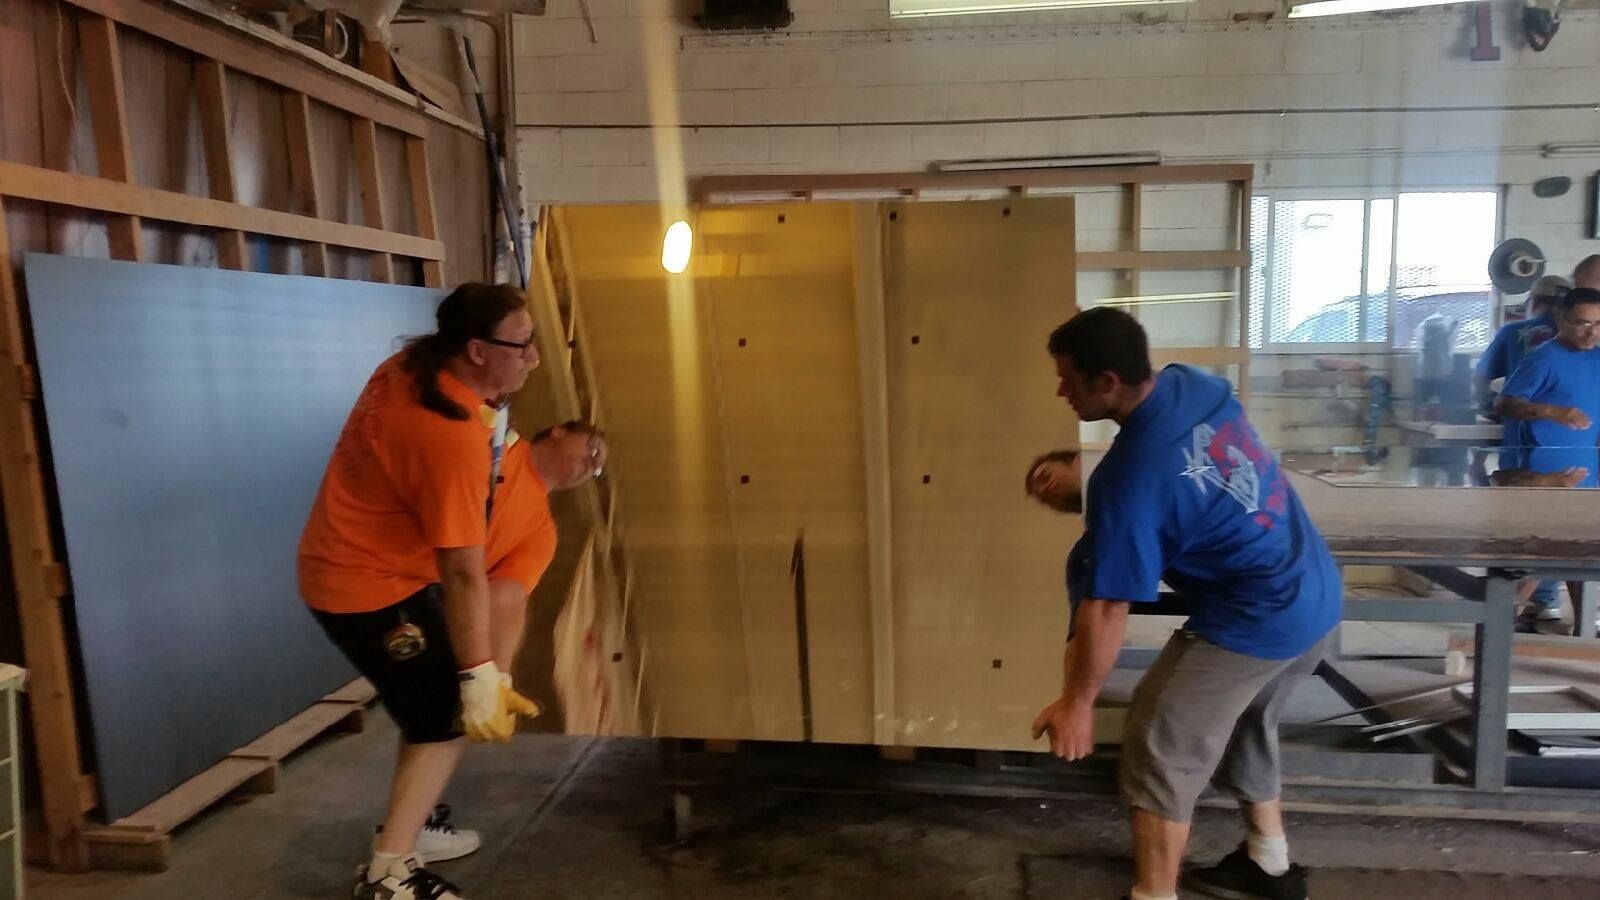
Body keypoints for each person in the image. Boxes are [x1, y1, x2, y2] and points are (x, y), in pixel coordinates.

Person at [298, 283, 606, 900]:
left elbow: (504, 593)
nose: (533, 357)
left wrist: (494, 673)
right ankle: (389, 876)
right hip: (366, 586)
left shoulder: (410, 367)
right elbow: (464, 573)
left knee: (430, 704)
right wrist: (480, 675)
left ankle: (413, 825)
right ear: (475, 350)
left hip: (366, 568)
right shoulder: (454, 439)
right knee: (442, 716)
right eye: (521, 345)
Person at [1029, 307, 1341, 900]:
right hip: (1315, 590)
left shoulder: (1128, 485)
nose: (1061, 391)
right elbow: (1187, 477)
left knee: (1160, 741)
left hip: (1261, 614)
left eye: (1068, 379)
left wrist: (1078, 703)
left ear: (1108, 381)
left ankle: (1154, 894)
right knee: (1244, 716)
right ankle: (1268, 862)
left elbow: (1108, 609)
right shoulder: (1190, 384)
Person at [1497, 286, 1600, 634]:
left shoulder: (1598, 359)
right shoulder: (1543, 358)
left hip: (1583, 470)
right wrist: (1553, 411)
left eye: (1598, 324)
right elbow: (1505, 404)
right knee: (1535, 559)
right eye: (1583, 323)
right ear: (1561, 320)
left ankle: (1585, 630)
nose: (1591, 332)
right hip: (1542, 472)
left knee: (1578, 556)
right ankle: (1497, 629)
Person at [1474, 274, 1570, 419]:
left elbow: (1480, 377)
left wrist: (1489, 404)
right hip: (1569, 424)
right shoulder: (1579, 334)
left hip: (1519, 426)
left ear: (1534, 301)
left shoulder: (1510, 331)